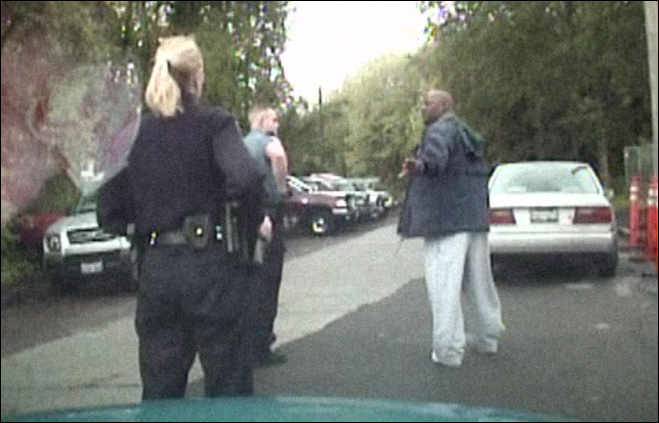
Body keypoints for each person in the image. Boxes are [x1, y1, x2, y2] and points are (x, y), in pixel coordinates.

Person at [97, 35, 265, 399]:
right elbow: (247, 180)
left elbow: (107, 211)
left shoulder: (131, 134)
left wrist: (143, 227)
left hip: (157, 272)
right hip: (211, 269)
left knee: (160, 390)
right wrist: (248, 231)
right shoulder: (214, 123)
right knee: (229, 387)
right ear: (197, 75)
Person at [398, 90, 504, 368]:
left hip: (445, 220)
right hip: (473, 218)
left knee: (444, 284)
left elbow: (435, 159)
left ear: (444, 106)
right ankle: (487, 338)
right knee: (480, 282)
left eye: (428, 103)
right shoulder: (464, 132)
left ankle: (448, 350)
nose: (423, 108)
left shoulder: (439, 130)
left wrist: (418, 165)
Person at [243, 105, 289, 366]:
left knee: (252, 282)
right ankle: (262, 345)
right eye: (273, 119)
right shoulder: (267, 141)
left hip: (248, 217)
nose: (277, 124)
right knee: (269, 280)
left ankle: (249, 343)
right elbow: (278, 157)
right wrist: (280, 186)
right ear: (262, 121)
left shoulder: (242, 144)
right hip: (269, 214)